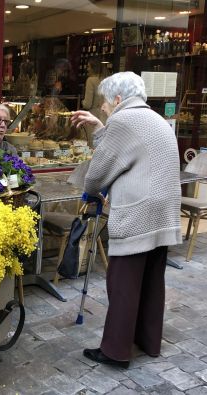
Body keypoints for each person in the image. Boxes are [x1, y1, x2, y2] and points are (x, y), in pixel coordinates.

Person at [70, 72, 181, 368]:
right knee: (151, 282)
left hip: (138, 212)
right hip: (163, 212)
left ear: (118, 99)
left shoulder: (124, 120)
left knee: (123, 284)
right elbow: (127, 149)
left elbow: (99, 170)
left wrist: (90, 190)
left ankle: (116, 351)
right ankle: (147, 341)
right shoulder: (153, 118)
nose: (103, 108)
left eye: (105, 103)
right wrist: (100, 127)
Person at [81, 58, 108, 147]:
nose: (87, 69)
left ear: (93, 68)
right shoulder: (107, 80)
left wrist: (82, 102)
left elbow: (87, 104)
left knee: (91, 145)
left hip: (93, 116)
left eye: (88, 67)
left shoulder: (91, 80)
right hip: (106, 116)